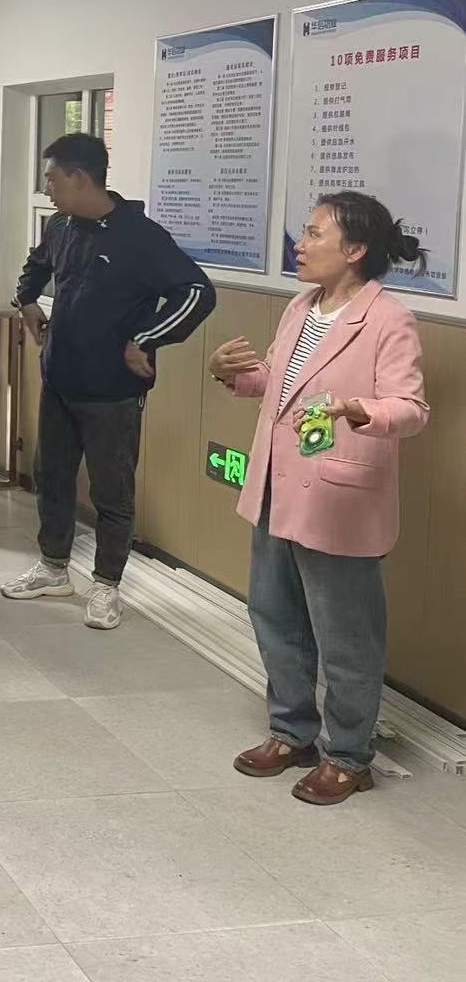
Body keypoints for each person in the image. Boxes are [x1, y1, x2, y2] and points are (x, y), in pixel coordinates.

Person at [209, 192, 428, 805]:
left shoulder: (388, 319)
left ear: (354, 249)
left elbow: (411, 409)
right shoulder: (301, 307)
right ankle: (291, 733)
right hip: (277, 485)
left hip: (338, 498)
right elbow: (276, 384)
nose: (299, 246)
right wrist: (229, 372)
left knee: (346, 634)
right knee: (274, 616)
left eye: (312, 234)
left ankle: (350, 755)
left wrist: (359, 409)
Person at [3, 132, 216, 629]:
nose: (47, 189)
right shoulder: (60, 226)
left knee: (111, 491)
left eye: (52, 179)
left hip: (113, 392)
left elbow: (197, 292)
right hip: (59, 379)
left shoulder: (141, 236)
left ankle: (106, 585)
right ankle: (53, 567)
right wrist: (28, 300)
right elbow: (35, 267)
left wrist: (147, 339)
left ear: (80, 178)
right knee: (52, 478)